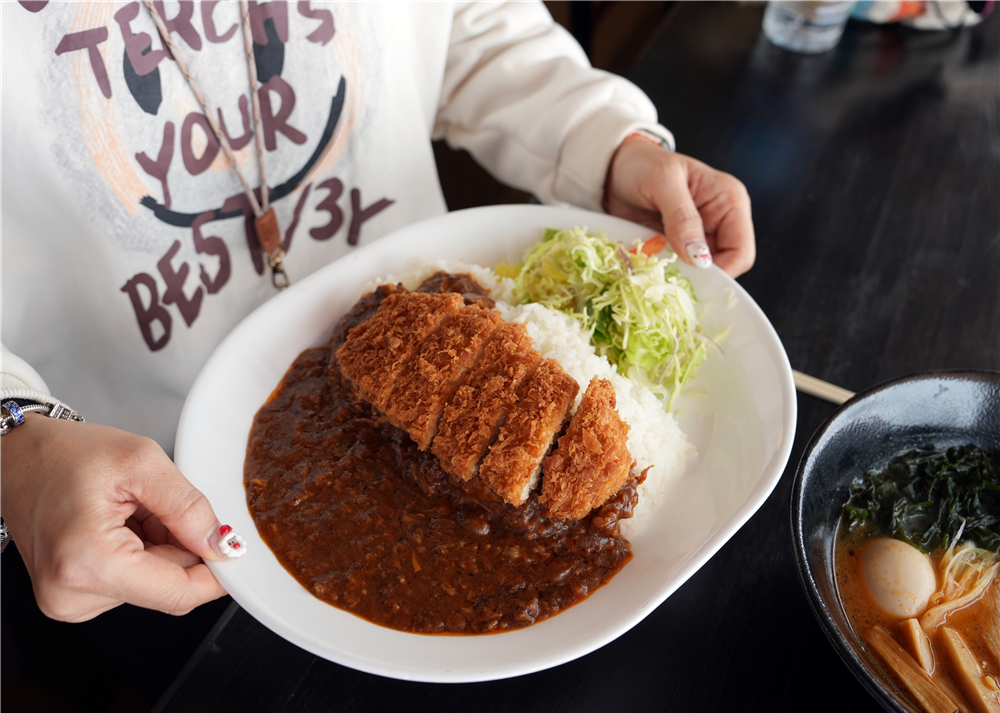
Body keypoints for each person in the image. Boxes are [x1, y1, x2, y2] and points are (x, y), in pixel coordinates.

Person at [0, 1, 754, 623]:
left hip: (429, 306)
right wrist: (14, 436)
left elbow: (466, 23)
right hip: (108, 503)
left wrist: (604, 145)